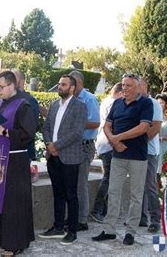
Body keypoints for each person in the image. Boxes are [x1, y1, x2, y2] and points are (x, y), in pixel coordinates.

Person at [92, 73, 153, 246]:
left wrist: (118, 138)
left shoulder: (146, 103)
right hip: (117, 155)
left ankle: (130, 232)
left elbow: (143, 127)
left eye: (129, 86)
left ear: (138, 87)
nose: (125, 89)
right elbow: (107, 125)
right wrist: (114, 140)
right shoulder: (117, 103)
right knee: (113, 192)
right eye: (123, 85)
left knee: (135, 195)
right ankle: (109, 230)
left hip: (138, 157)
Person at [0, 71, 35, 256]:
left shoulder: (24, 105)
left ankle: (13, 243)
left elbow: (27, 134)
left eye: (1, 87)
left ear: (12, 85)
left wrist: (3, 132)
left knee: (12, 203)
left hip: (14, 161)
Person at [39, 75, 87, 245]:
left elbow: (77, 132)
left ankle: (72, 231)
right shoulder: (53, 105)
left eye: (63, 84)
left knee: (71, 195)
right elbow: (45, 127)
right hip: (53, 156)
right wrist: (48, 144)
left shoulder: (80, 106)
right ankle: (58, 227)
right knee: (58, 193)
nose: (60, 87)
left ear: (72, 88)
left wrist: (56, 146)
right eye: (59, 84)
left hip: (69, 157)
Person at [68, 70, 100, 231]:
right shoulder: (70, 99)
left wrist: (73, 123)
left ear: (78, 83)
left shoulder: (89, 99)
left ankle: (82, 220)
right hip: (71, 146)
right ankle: (73, 217)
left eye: (71, 83)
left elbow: (95, 123)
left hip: (84, 145)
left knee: (81, 183)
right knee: (71, 183)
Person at [90, 82, 123, 223]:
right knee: (109, 178)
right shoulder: (114, 103)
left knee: (111, 178)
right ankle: (97, 210)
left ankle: (106, 210)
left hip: (104, 144)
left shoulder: (106, 101)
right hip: (109, 145)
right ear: (120, 92)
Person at [138, 78, 163, 234]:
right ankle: (140, 217)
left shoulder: (153, 103)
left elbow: (156, 127)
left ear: (145, 86)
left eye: (138, 85)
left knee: (150, 186)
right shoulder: (133, 102)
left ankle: (155, 219)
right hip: (136, 152)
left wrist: (140, 142)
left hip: (149, 152)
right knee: (136, 186)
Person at [12, 69, 40, 160]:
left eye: (14, 77)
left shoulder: (30, 101)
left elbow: (30, 129)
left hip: (24, 152)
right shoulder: (7, 100)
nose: (10, 80)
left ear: (22, 81)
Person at [155, 94, 167, 173]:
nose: (159, 105)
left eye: (161, 103)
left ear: (166, 104)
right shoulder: (154, 115)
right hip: (156, 147)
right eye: (157, 103)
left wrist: (161, 138)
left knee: (165, 171)